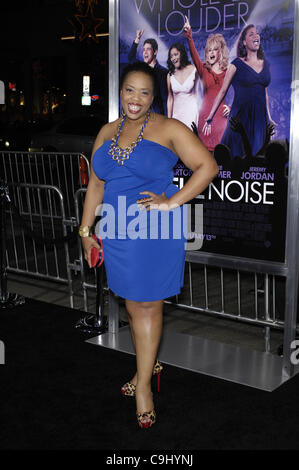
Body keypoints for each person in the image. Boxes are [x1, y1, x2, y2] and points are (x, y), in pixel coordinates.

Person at [79, 62, 218, 429]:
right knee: (130, 301)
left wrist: (172, 202)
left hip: (153, 228)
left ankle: (143, 386)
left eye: (143, 92)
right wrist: (85, 230)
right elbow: (96, 184)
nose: (135, 99)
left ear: (154, 95)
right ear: (120, 91)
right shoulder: (107, 131)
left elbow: (207, 166)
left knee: (146, 304)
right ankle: (148, 362)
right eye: (129, 90)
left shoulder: (168, 128)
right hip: (118, 229)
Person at [204, 24, 276, 158]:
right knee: (236, 156)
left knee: (258, 158)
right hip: (240, 118)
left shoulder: (266, 64)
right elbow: (222, 91)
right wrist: (210, 116)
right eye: (251, 34)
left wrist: (269, 118)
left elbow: (264, 92)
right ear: (244, 42)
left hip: (260, 118)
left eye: (257, 33)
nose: (256, 36)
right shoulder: (236, 64)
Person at [184, 16, 230, 151]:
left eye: (214, 49)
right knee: (204, 157)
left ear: (220, 52)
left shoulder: (228, 72)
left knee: (221, 158)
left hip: (221, 119)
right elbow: (193, 54)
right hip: (205, 118)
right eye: (209, 50)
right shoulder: (203, 69)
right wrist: (189, 35)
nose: (211, 52)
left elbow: (240, 92)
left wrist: (231, 107)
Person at [128, 29, 168, 115]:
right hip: (141, 115)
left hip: (156, 116)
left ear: (155, 52)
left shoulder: (163, 72)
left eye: (148, 49)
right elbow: (131, 58)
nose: (145, 52)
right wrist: (137, 39)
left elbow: (165, 99)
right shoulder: (141, 68)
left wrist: (166, 120)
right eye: (144, 49)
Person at [166, 42, 202, 130]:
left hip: (192, 114)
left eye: (175, 54)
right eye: (171, 56)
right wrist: (169, 119)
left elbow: (201, 93)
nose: (173, 58)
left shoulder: (194, 70)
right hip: (177, 116)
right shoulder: (170, 75)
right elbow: (170, 98)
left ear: (181, 54)